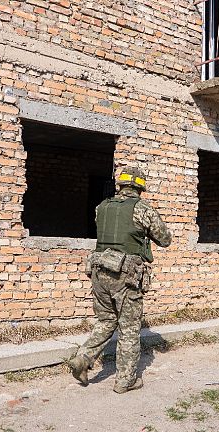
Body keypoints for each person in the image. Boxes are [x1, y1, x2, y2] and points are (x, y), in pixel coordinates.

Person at [67, 166, 171, 393]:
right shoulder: (143, 209)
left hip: (98, 271)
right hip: (125, 275)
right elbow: (165, 239)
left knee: (106, 321)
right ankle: (126, 380)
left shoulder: (101, 207)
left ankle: (83, 358)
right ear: (140, 187)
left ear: (121, 184)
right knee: (129, 328)